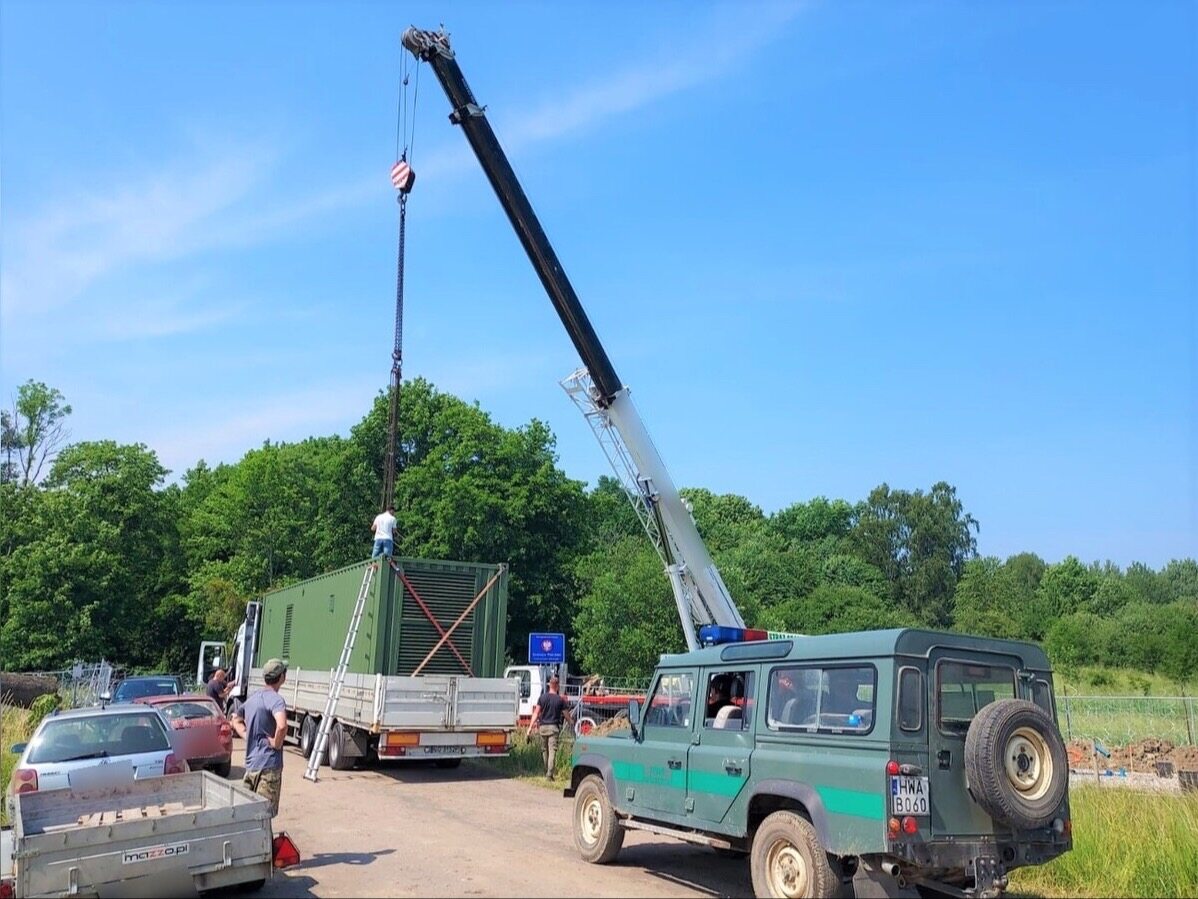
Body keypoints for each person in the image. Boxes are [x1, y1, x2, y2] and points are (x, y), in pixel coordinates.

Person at [230, 658, 289, 817]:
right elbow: (282, 725)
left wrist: (245, 734)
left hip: (251, 767)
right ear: (282, 677)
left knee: (249, 814)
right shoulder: (276, 700)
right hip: (268, 768)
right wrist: (276, 743)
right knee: (264, 816)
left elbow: (235, 718)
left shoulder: (254, 698)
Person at [526, 675, 570, 779]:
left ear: (549, 685)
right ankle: (549, 774)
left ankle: (547, 770)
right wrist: (571, 721)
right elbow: (566, 715)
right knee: (552, 751)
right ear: (557, 686)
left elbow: (536, 713)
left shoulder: (542, 698)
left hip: (543, 728)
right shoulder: (560, 700)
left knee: (544, 750)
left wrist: (529, 728)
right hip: (553, 728)